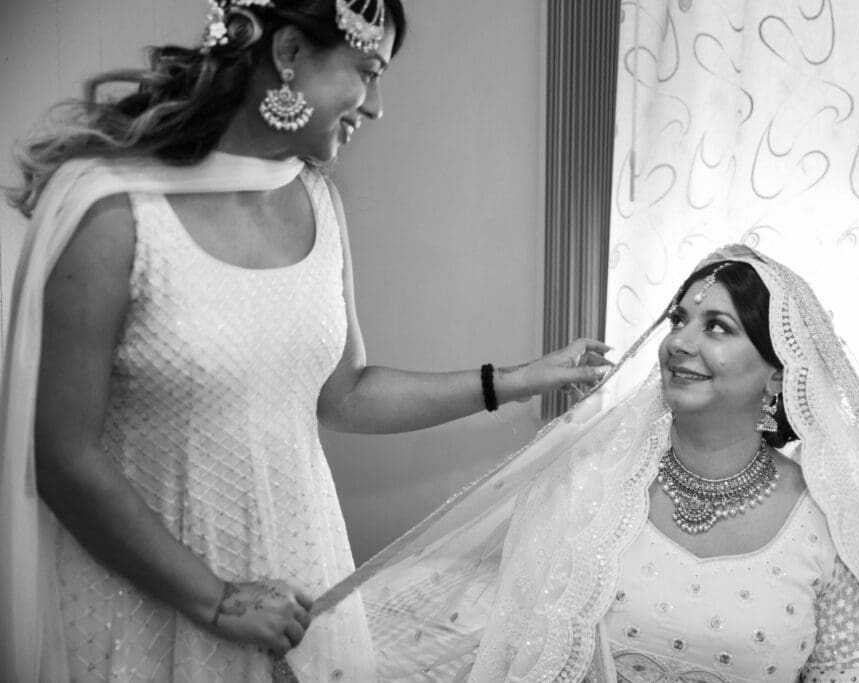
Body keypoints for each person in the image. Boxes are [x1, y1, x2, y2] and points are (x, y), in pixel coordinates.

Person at [0, 1, 611, 681]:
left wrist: (518, 380)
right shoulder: (115, 215)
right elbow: (63, 457)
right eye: (366, 71)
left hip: (300, 565)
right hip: (148, 593)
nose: (375, 104)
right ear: (289, 53)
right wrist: (215, 599)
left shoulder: (317, 200)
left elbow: (344, 395)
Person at [306, 244, 859, 681]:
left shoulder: (829, 518)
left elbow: (843, 670)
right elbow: (534, 655)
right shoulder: (588, 487)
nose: (680, 342)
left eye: (717, 327)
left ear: (778, 373)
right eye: (679, 319)